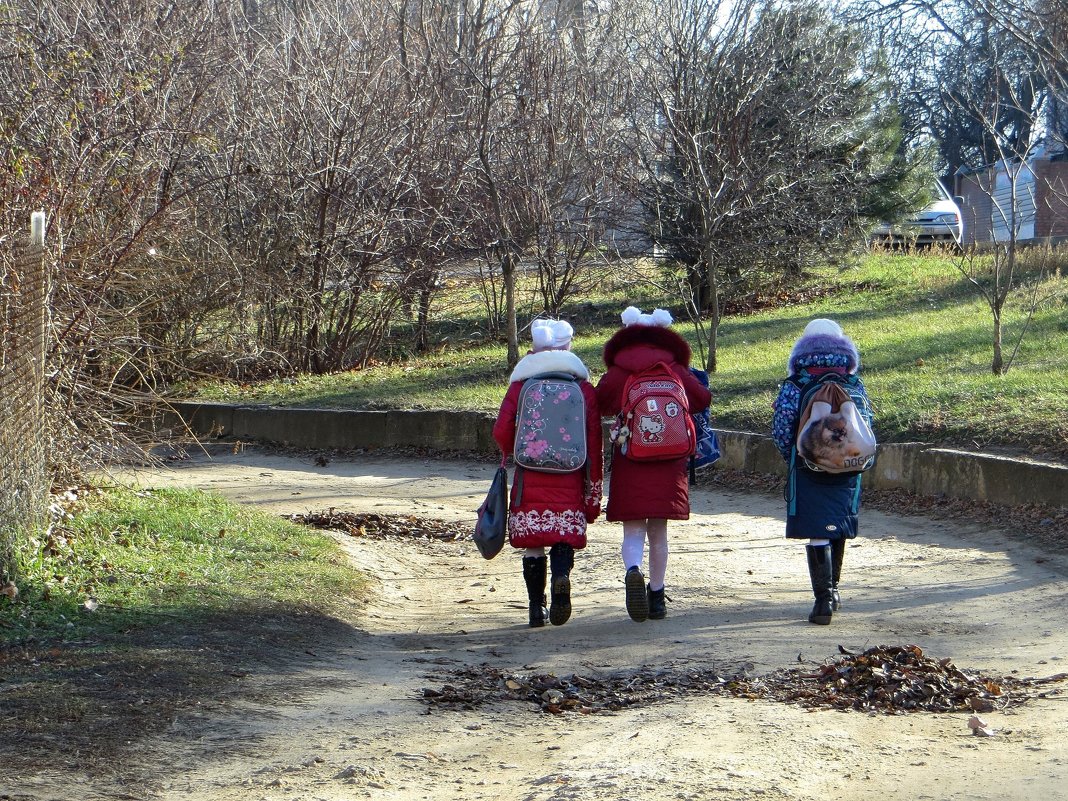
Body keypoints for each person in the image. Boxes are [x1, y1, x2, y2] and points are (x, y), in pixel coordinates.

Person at [595, 307, 711, 622]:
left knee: (633, 528)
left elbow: (600, 402)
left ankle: (633, 570)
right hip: (671, 458)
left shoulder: (620, 369)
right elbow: (702, 399)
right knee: (659, 531)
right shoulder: (673, 366)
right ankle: (657, 596)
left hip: (630, 453)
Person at [492, 319, 604, 628]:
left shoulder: (521, 385)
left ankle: (535, 607)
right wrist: (593, 487)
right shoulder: (582, 389)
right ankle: (561, 577)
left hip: (530, 475)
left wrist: (515, 449)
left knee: (534, 542)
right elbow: (594, 440)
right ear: (568, 348)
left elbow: (501, 432)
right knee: (562, 535)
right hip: (571, 474)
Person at [771, 318, 874, 625]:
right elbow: (867, 423)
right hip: (849, 465)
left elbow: (782, 427)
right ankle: (835, 590)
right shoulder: (853, 383)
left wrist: (792, 455)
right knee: (837, 523)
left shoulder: (796, 384)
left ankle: (823, 601)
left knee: (817, 527)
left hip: (808, 465)